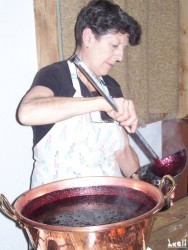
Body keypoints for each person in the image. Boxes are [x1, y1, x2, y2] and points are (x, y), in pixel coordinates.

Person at [17, 0, 174, 208]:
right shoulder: (55, 75)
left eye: (123, 48)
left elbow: (123, 152)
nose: (120, 56)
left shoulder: (112, 87)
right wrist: (100, 103)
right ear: (89, 37)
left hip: (108, 212)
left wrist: (148, 193)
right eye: (115, 45)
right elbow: (27, 113)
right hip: (56, 217)